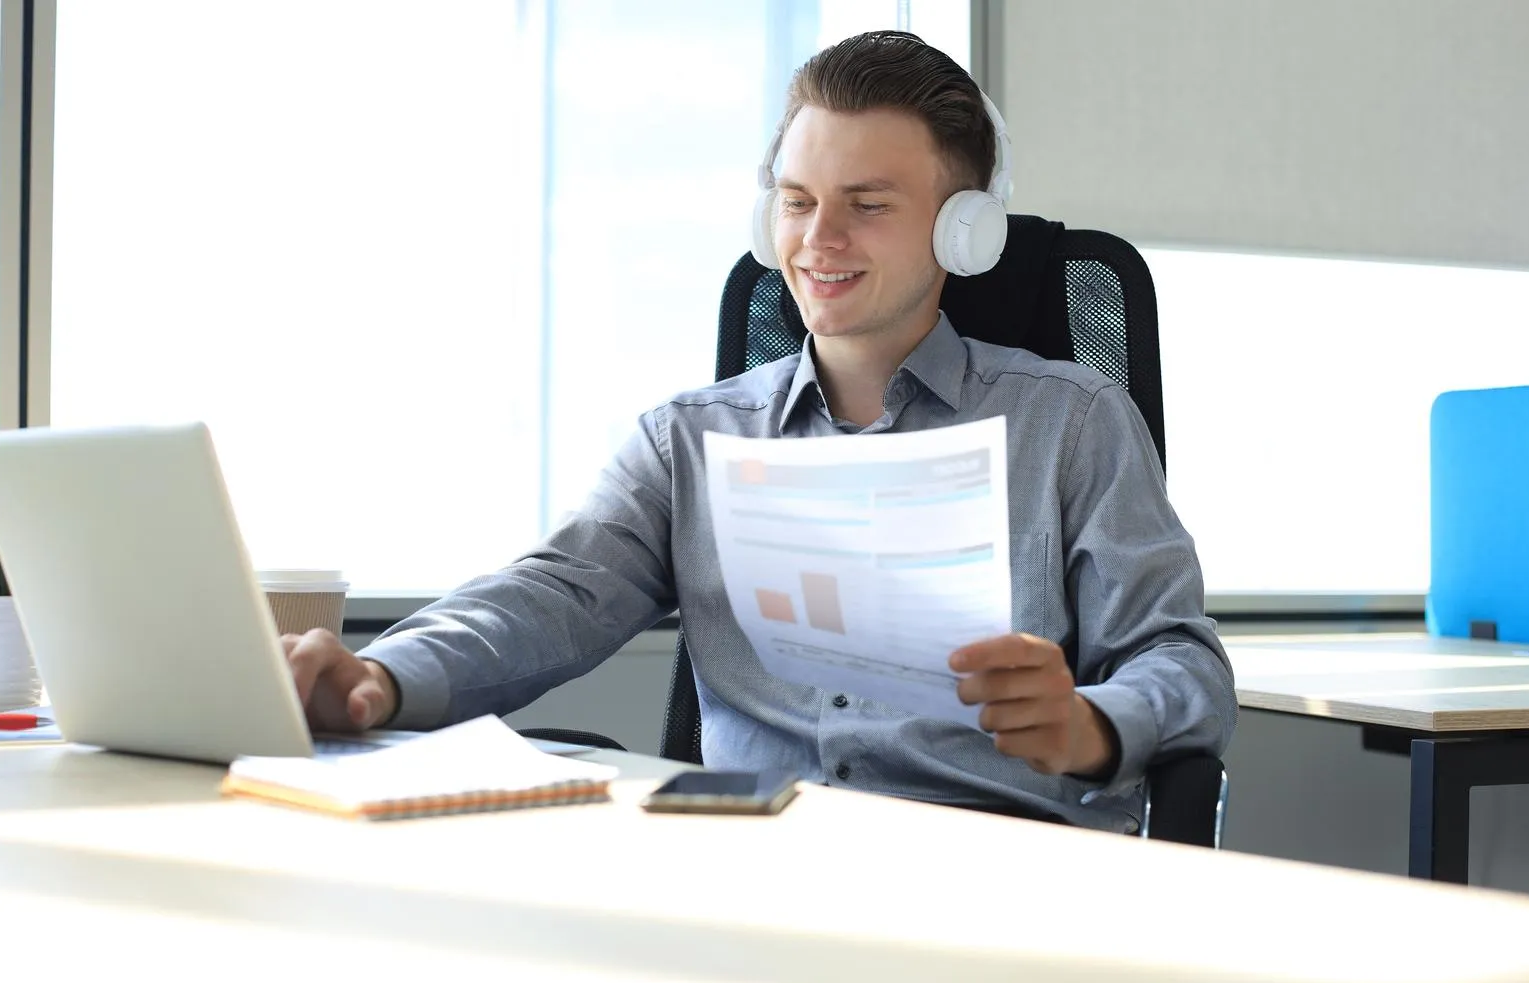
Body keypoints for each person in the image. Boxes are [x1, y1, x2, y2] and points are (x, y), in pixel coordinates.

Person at [282, 30, 1235, 832]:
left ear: (964, 233)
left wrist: (1092, 724)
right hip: (757, 866)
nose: (819, 240)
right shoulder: (691, 441)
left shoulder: (1070, 424)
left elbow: (1181, 659)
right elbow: (550, 597)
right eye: (796, 201)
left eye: (866, 206)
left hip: (996, 865)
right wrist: (379, 676)